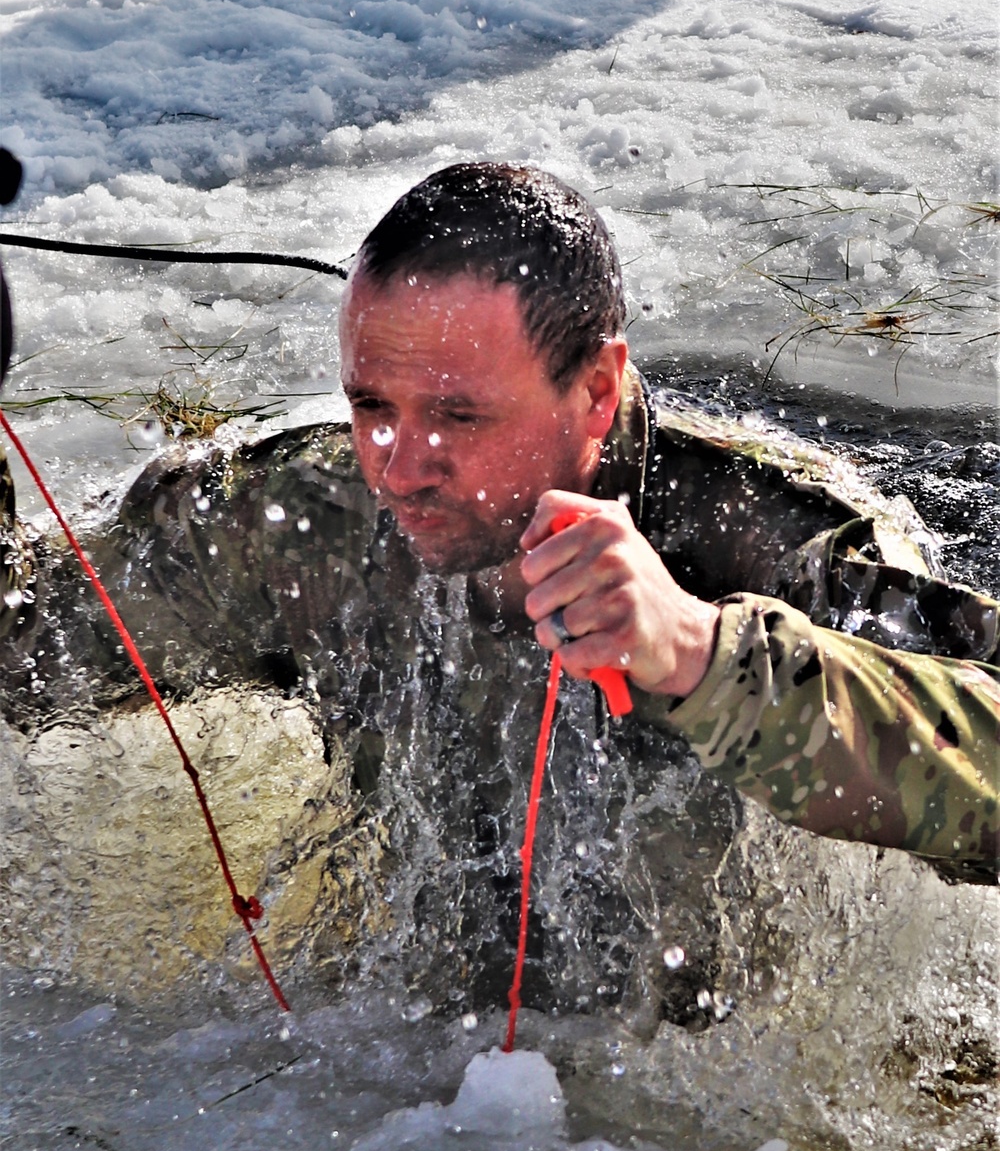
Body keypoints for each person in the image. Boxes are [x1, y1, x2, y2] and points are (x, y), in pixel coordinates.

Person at [2, 163, 997, 1027]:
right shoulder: (306, 515)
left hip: (686, 1148)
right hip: (412, 1101)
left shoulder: (765, 532)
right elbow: (23, 658)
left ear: (596, 392)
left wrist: (700, 653)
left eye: (458, 415)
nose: (399, 468)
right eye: (370, 406)